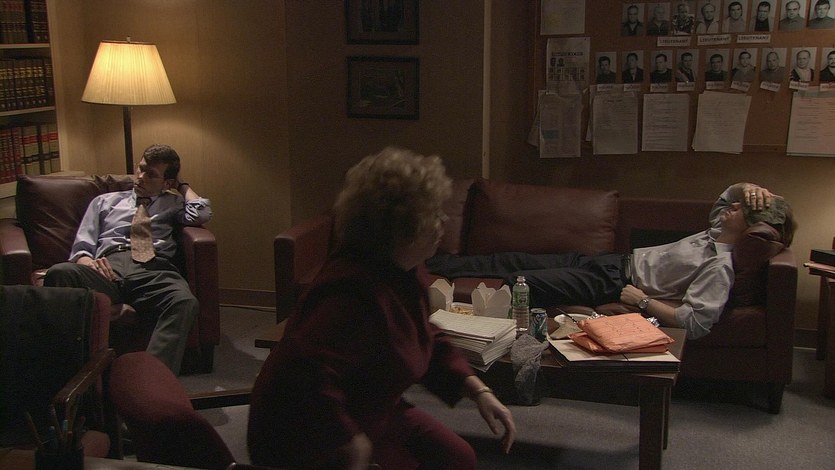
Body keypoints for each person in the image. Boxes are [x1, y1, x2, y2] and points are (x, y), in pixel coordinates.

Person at [247, 147, 516, 470]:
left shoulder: (404, 269)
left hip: (371, 408)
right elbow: (303, 376)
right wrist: (349, 440)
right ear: (401, 228)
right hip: (313, 431)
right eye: (433, 214)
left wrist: (478, 390)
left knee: (458, 457)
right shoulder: (350, 291)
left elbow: (423, 332)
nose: (443, 221)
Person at [426, 183, 795, 341]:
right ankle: (427, 266)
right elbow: (726, 197)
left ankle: (479, 339)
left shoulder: (720, 266)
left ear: (750, 224)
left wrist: (643, 301)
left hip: (614, 282)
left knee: (524, 280)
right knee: (510, 260)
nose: (731, 207)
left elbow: (696, 323)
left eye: (740, 209)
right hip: (610, 261)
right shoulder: (715, 232)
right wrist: (751, 189)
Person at [43, 144, 212, 375]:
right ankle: (67, 373)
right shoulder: (104, 201)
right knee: (60, 273)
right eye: (140, 168)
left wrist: (182, 185)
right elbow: (83, 244)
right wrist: (85, 261)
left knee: (184, 302)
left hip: (154, 269)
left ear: (167, 183)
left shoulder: (173, 203)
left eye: (151, 174)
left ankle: (151, 377)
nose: (140, 177)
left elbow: (202, 213)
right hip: (108, 266)